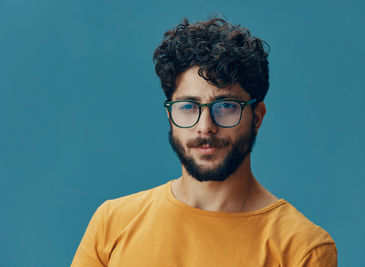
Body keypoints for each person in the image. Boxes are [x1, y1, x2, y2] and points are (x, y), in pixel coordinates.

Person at [71, 17, 337, 267]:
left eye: (226, 106)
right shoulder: (112, 223)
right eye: (188, 106)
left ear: (257, 117)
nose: (205, 126)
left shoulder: (303, 248)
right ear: (170, 115)